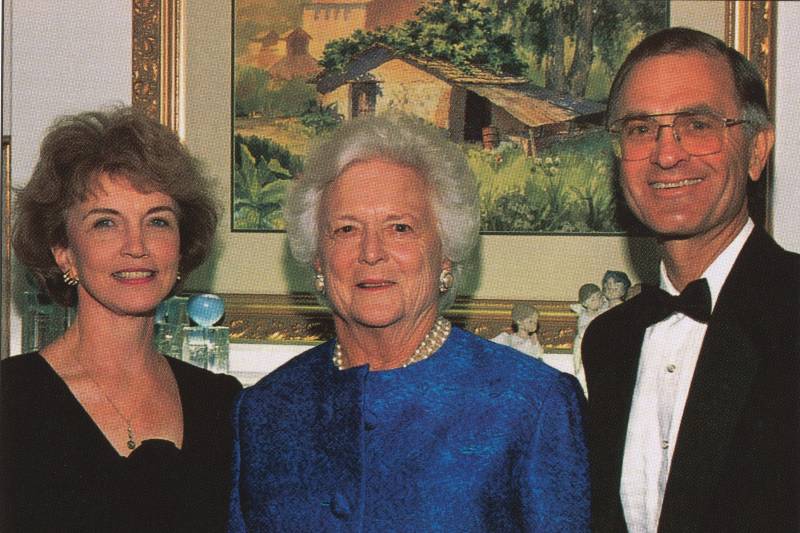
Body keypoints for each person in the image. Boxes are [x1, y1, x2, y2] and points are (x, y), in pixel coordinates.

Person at [228, 114, 589, 531]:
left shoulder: (529, 403)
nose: (371, 252)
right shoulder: (265, 410)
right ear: (317, 259)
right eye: (346, 229)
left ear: (446, 254)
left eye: (400, 228)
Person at [582, 27, 799, 532]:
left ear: (757, 150)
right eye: (639, 129)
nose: (666, 154)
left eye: (697, 125)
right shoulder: (608, 341)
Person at [2, 107, 242, 532]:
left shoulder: (222, 404)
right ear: (64, 251)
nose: (137, 246)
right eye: (105, 223)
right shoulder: (11, 401)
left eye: (158, 222)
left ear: (182, 247)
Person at [570, 283, 604, 393]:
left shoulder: (602, 312)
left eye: (599, 297)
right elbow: (583, 332)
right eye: (593, 299)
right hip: (585, 345)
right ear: (585, 303)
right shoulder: (584, 316)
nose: (597, 301)